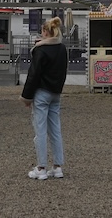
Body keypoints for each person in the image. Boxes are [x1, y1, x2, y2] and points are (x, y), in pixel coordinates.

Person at [21, 16, 68, 180]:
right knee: (55, 130)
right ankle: (57, 166)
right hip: (56, 92)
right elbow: (63, 71)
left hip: (41, 93)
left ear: (44, 32)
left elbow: (33, 75)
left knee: (40, 130)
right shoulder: (62, 49)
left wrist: (26, 96)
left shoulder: (40, 50)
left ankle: (41, 167)